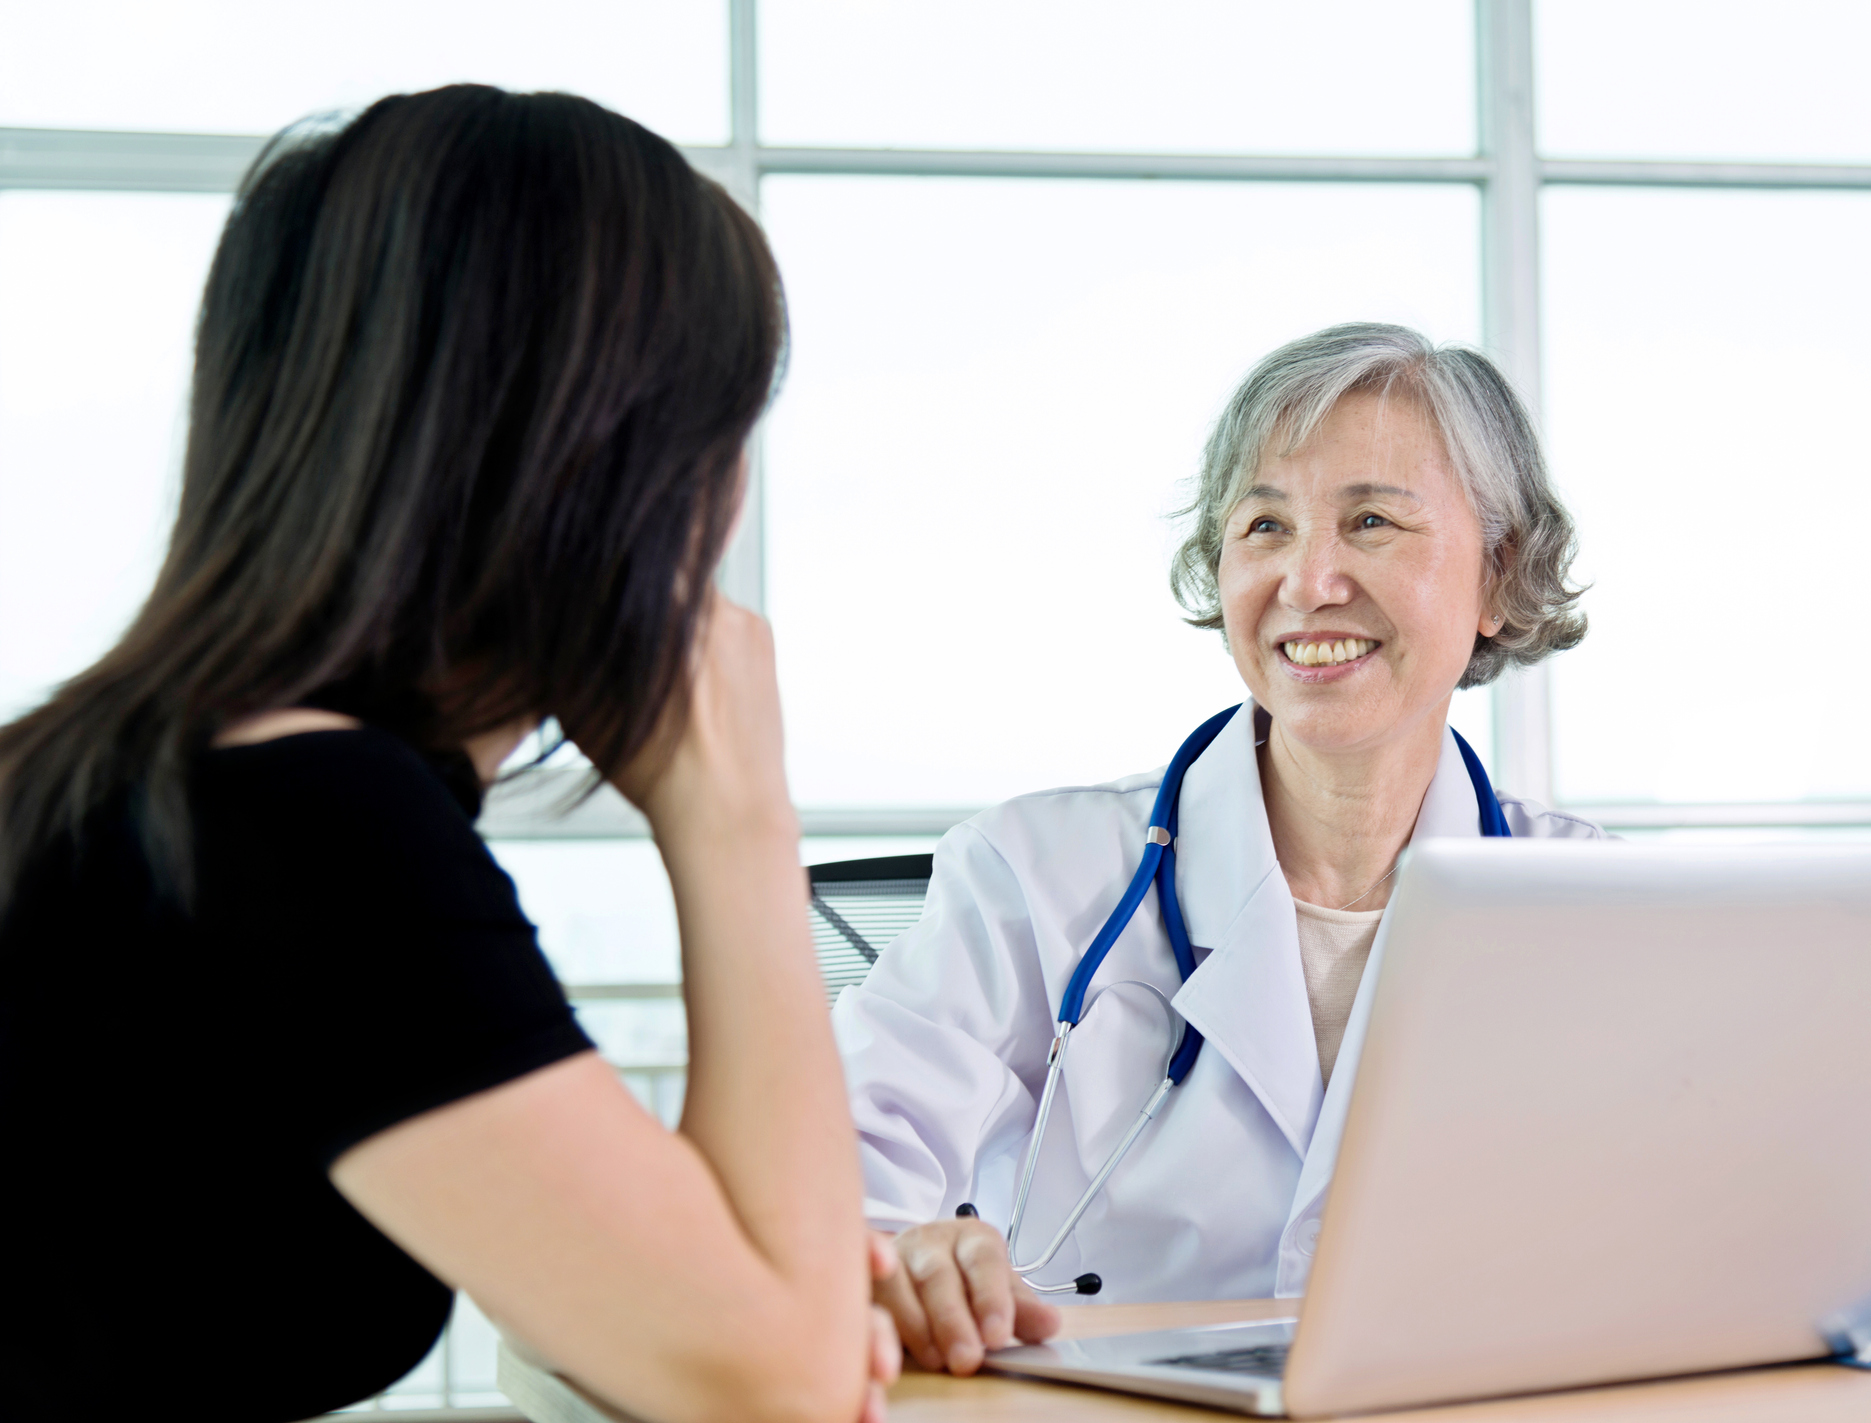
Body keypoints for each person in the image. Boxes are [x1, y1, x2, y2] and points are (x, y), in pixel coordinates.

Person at [0, 87, 896, 1423]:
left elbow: (725, 1309)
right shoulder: (300, 815)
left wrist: (780, 1295)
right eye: (716, 433)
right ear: (600, 457)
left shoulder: (117, 771)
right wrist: (738, 817)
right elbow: (774, 1390)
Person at [836, 323, 1604, 1376]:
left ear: (1498, 575)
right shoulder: (1034, 873)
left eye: (1371, 521)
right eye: (1265, 527)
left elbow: (1719, 1223)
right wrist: (904, 1258)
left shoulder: (1596, 903)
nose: (1308, 579)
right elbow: (834, 1188)